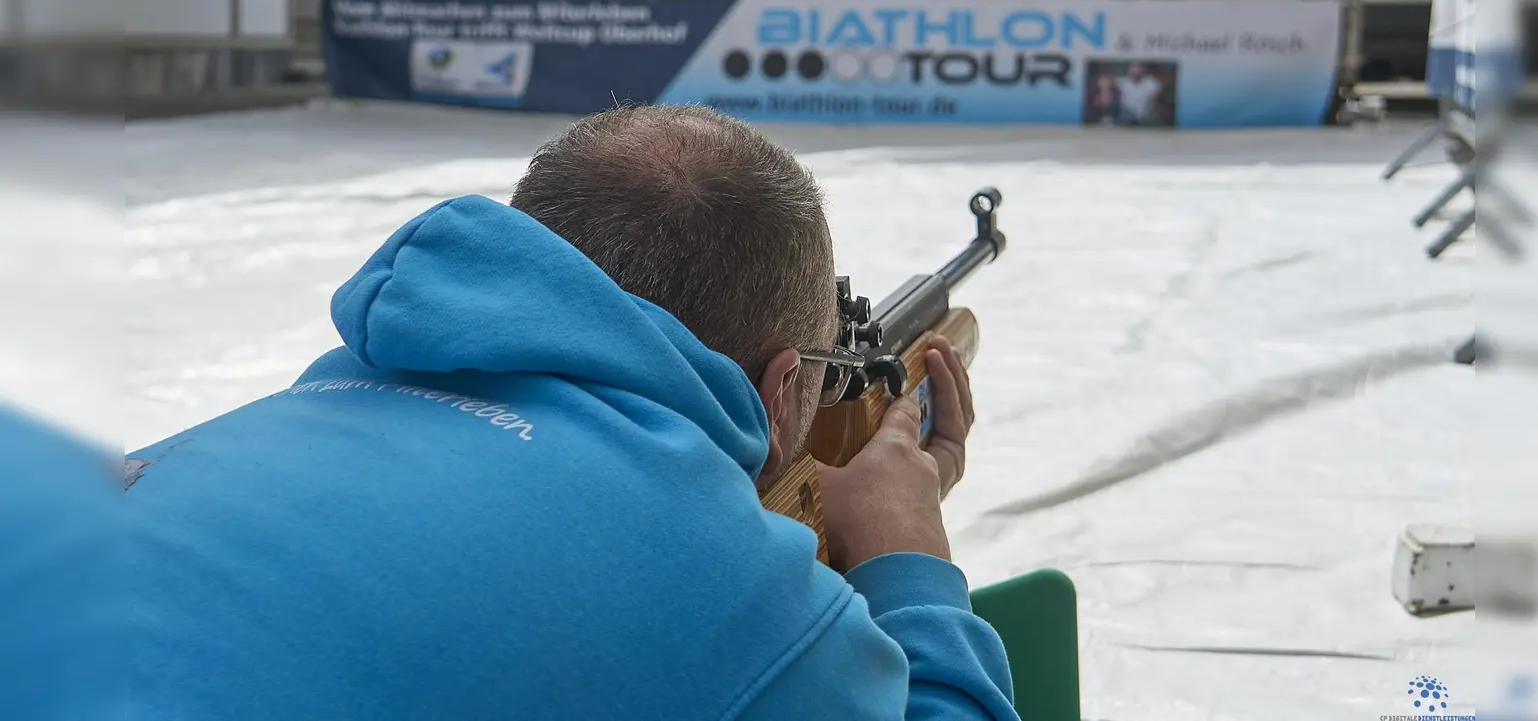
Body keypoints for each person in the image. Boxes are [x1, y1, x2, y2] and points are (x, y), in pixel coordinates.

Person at [125, 104, 1020, 720]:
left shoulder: (261, 426)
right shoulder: (724, 592)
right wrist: (906, 553)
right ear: (784, 387)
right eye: (824, 376)